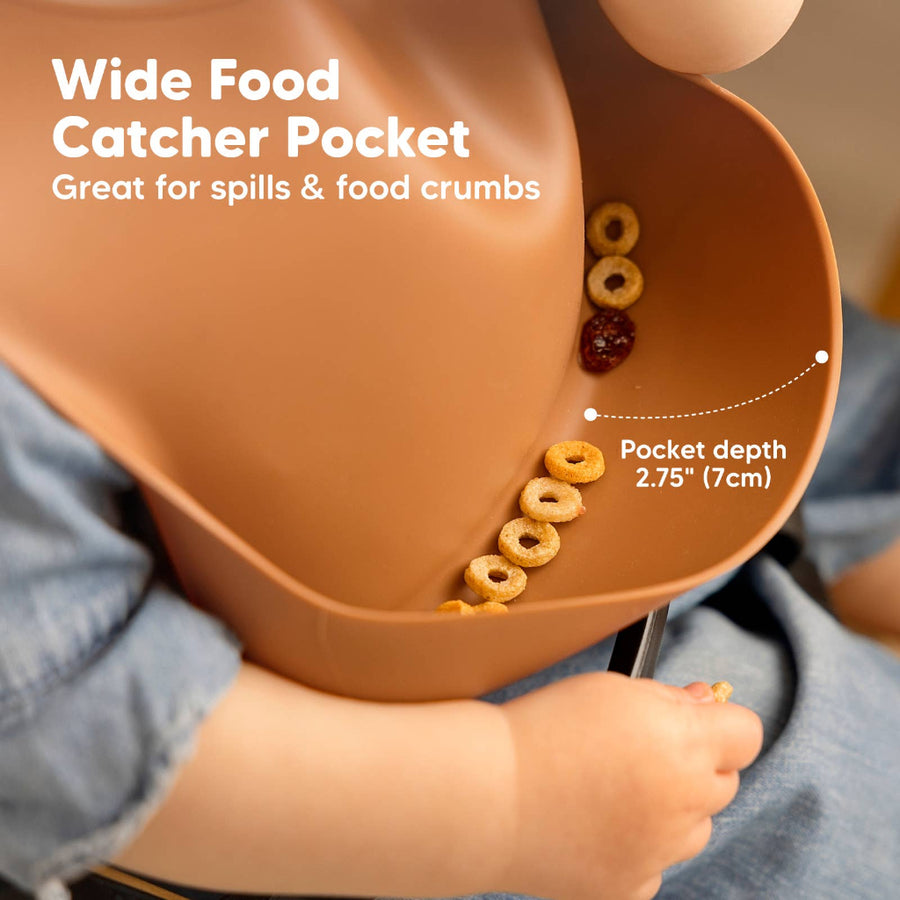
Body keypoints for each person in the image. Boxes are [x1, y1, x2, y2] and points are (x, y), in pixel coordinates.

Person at [2, 2, 898, 899]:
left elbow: (709, 30)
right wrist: (506, 800)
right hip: (389, 706)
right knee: (836, 795)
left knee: (849, 395)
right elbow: (58, 720)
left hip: (582, 258)